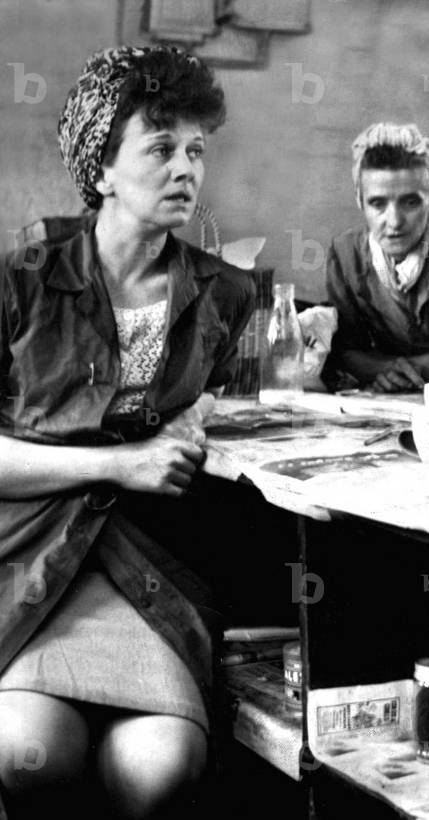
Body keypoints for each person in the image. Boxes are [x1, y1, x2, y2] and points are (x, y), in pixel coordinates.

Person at [0, 46, 254, 819]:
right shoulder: (23, 282)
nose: (186, 168)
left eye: (196, 150)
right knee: (29, 753)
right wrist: (122, 465)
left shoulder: (226, 294)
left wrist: (212, 416)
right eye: (160, 147)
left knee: (160, 767)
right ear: (102, 168)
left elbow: (227, 408)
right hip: (29, 563)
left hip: (151, 574)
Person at [321, 122, 429, 393]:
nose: (394, 222)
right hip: (398, 398)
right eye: (378, 204)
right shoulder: (345, 255)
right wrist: (385, 370)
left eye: (411, 202)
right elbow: (344, 355)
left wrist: (378, 367)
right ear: (360, 200)